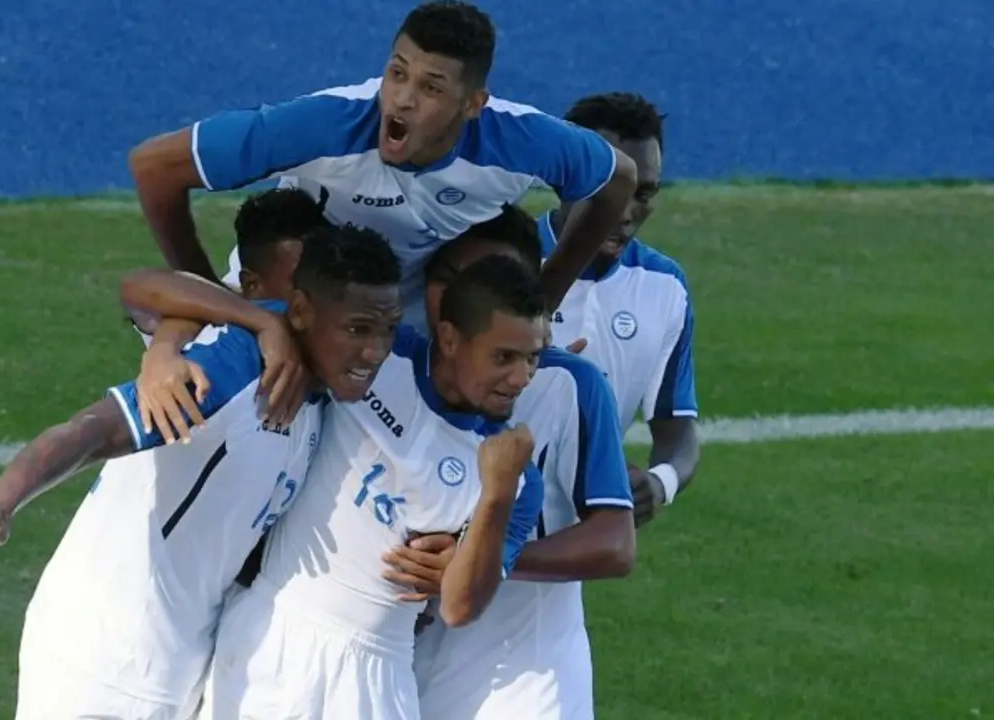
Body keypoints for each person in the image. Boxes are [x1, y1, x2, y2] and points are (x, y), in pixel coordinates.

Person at [0, 224, 403, 720]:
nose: (375, 351)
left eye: (387, 330)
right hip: (101, 659)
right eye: (357, 329)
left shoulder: (318, 399)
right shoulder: (230, 372)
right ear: (302, 312)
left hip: (182, 668)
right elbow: (89, 431)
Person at [130, 257, 549, 720]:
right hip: (273, 636)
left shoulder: (516, 476)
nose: (521, 377)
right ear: (449, 339)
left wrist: (496, 494)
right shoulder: (376, 359)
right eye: (504, 357)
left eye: (533, 357)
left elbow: (459, 607)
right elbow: (151, 287)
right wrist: (164, 349)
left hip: (378, 678)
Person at [126, 0, 638, 337]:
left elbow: (618, 178)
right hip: (282, 307)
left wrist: (546, 298)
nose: (402, 99)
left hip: (397, 326)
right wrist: (210, 295)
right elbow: (155, 165)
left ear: (473, 104)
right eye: (397, 73)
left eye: (431, 87)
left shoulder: (521, 142)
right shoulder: (325, 125)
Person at [409, 207, 636, 720]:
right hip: (409, 674)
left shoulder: (568, 384)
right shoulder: (397, 373)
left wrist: (487, 563)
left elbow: (615, 543)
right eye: (465, 282)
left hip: (526, 682)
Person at [539, 92, 701, 526]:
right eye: (612, 189)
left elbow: (677, 428)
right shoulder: (495, 262)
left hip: (572, 556)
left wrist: (661, 481)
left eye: (644, 193)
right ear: (563, 177)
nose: (626, 213)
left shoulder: (665, 288)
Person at [126, 187, 333, 443]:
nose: (316, 296)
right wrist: (266, 322)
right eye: (300, 282)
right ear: (252, 285)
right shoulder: (211, 331)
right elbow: (137, 286)